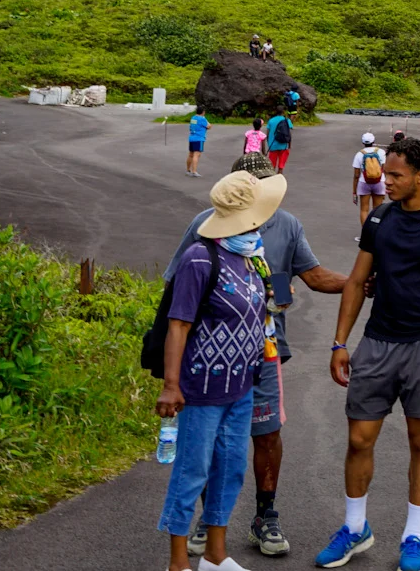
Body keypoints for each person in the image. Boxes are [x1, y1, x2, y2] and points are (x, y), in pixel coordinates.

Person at [167, 152, 350, 559]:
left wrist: (360, 282)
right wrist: (171, 378)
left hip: (261, 353)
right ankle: (203, 526)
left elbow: (311, 278)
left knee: (260, 437)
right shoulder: (205, 228)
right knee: (206, 448)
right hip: (210, 361)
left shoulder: (286, 224)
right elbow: (176, 294)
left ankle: (264, 515)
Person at [316, 137, 420, 571]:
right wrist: (339, 342)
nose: (383, 181)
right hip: (377, 343)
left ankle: (413, 538)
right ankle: (354, 528)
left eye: (395, 175)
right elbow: (355, 282)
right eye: (385, 173)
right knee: (358, 439)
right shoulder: (379, 220)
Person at [156, 171, 277, 571]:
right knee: (192, 473)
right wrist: (171, 385)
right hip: (202, 389)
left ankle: (215, 555)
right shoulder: (199, 259)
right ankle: (178, 562)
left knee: (230, 470)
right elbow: (179, 324)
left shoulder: (249, 257)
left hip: (241, 386)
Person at [352, 133, 384, 225]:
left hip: (364, 182)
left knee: (364, 210)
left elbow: (356, 175)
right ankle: (376, 233)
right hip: (379, 182)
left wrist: (354, 192)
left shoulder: (359, 154)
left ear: (363, 142)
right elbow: (385, 170)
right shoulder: (381, 152)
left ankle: (366, 235)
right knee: (377, 210)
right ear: (373, 141)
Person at [265, 105, 295, 173]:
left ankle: (272, 179)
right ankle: (280, 177)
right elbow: (289, 133)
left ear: (276, 111)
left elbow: (267, 134)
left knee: (272, 166)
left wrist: (269, 143)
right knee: (281, 166)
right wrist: (289, 145)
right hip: (284, 145)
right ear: (283, 112)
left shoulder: (271, 121)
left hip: (273, 145)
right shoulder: (287, 120)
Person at [186, 108, 211, 178]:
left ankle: (188, 170)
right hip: (199, 138)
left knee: (191, 154)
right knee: (196, 155)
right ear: (203, 112)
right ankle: (194, 171)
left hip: (192, 137)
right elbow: (209, 126)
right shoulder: (202, 119)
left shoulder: (193, 118)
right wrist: (205, 119)